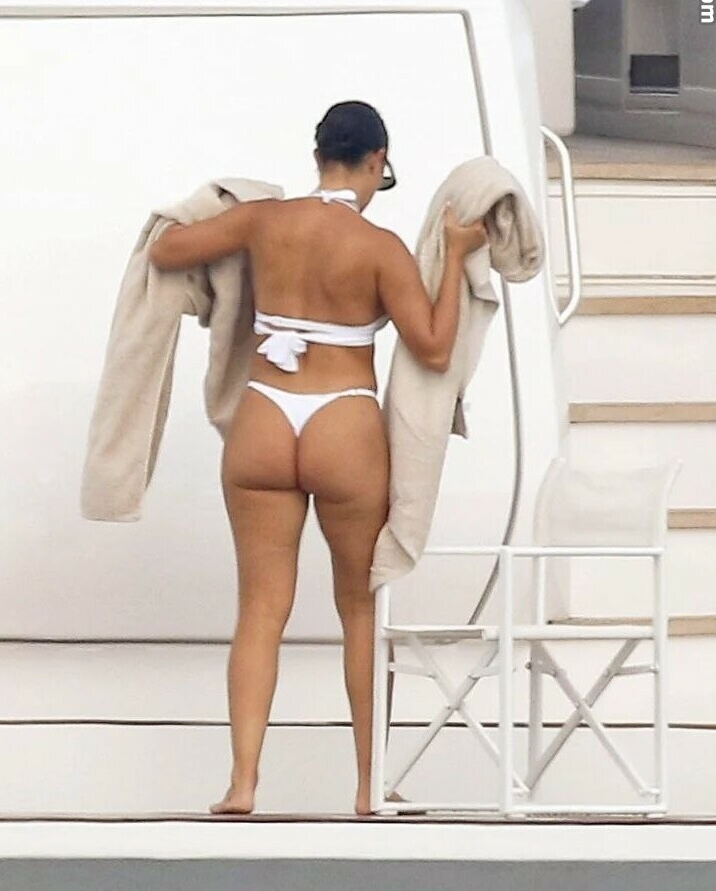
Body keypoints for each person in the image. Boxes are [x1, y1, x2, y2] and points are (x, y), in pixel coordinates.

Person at [149, 100, 489, 816]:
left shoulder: (264, 221)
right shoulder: (380, 247)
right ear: (377, 161)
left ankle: (243, 783)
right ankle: (368, 787)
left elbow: (166, 251)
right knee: (361, 609)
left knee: (259, 609)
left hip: (264, 419)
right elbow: (433, 347)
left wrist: (227, 208)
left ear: (317, 157)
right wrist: (456, 255)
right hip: (343, 424)